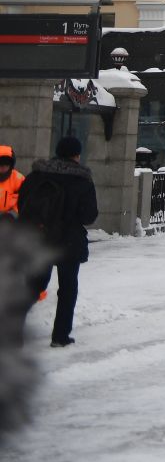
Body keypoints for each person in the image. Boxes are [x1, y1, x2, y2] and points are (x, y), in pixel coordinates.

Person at [17, 135, 98, 348]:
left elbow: (23, 204)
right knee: (67, 288)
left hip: (39, 239)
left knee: (33, 286)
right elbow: (89, 215)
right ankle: (60, 336)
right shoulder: (82, 180)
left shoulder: (36, 175)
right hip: (68, 243)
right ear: (76, 155)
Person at [0, 146, 23, 215]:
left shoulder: (18, 179)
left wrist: (13, 214)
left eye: (5, 165)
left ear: (11, 165)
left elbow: (24, 200)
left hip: (9, 220)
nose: (2, 168)